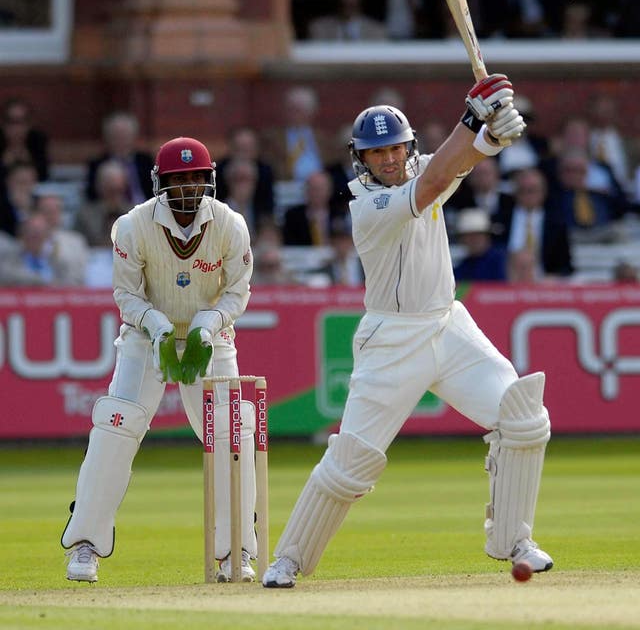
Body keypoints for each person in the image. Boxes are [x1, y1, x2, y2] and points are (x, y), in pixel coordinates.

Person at [262, 74, 554, 589]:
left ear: (409, 147)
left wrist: (492, 136)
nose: (390, 161)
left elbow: (455, 165)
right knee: (352, 461)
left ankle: (514, 539)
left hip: (448, 324)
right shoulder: (367, 206)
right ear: (361, 160)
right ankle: (288, 558)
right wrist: (473, 120)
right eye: (377, 155)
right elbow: (440, 179)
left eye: (396, 149)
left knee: (523, 415)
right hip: (392, 340)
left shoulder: (421, 168)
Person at [61, 137, 257, 584]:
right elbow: (125, 294)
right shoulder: (132, 226)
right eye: (176, 179)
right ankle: (87, 543)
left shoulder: (230, 224)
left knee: (231, 432)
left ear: (209, 180)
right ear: (159, 183)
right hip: (145, 338)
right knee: (116, 424)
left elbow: (238, 290)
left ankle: (237, 550)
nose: (186, 187)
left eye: (194, 178)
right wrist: (155, 324)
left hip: (210, 337)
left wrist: (209, 322)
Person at [86, 111, 154, 204]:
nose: (121, 140)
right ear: (107, 137)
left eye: (125, 135)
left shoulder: (146, 161)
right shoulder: (96, 164)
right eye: (116, 135)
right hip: (111, 213)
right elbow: (92, 196)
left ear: (134, 136)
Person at [0, 97, 50, 185]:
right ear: (3, 123)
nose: (17, 128)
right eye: (11, 121)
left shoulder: (37, 140)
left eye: (22, 121)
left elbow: (44, 176)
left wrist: (27, 160)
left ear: (30, 123)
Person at [308, 0, 387, 41]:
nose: (348, 7)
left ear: (361, 4)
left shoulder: (377, 31)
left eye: (353, 4)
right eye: (344, 3)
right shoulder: (319, 28)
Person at [453, 207, 508, 282]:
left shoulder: (504, 260)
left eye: (478, 235)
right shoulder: (460, 269)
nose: (474, 240)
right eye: (469, 236)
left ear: (487, 236)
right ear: (462, 239)